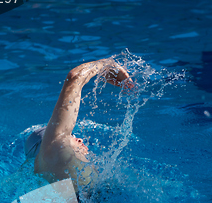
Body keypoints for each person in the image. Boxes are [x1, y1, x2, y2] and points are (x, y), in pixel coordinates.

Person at [24, 58, 133, 194]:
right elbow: (74, 77)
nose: (79, 140)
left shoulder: (52, 175)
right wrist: (107, 65)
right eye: (71, 136)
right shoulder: (53, 150)